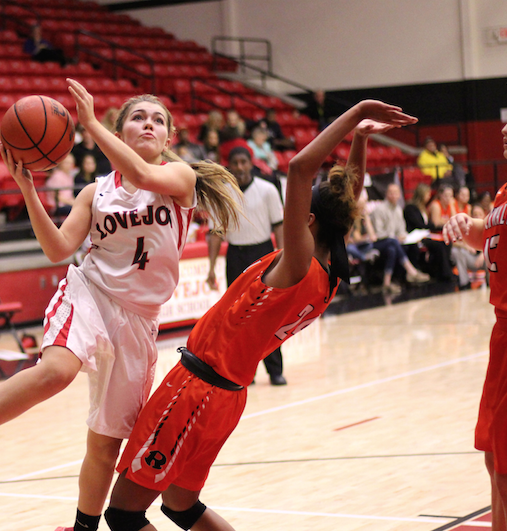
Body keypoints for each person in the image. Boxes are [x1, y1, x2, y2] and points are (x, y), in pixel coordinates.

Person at [0, 79, 243, 531]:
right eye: (138, 117)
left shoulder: (178, 178)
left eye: (158, 120)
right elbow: (58, 248)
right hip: (91, 293)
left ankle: (83, 528)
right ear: (121, 130)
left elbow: (144, 176)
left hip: (139, 322)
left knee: (106, 446)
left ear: (168, 139)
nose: (148, 124)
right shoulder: (95, 192)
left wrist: (88, 123)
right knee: (57, 370)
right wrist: (28, 189)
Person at [103, 101, 417, 531]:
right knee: (181, 506)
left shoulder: (298, 262)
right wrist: (360, 138)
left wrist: (355, 112)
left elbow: (303, 167)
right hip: (227, 397)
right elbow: (346, 197)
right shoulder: (330, 273)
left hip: (196, 390)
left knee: (122, 516)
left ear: (306, 219)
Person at [442, 122, 507, 531]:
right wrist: (470, 226)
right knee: (493, 457)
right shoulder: (503, 192)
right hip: (500, 333)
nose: (504, 129)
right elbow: (489, 235)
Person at [206, 146, 287, 385]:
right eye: (235, 163)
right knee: (238, 316)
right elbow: (216, 233)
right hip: (236, 257)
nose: (240, 167)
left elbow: (280, 226)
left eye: (244, 162)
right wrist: (211, 268)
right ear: (229, 166)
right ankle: (244, 372)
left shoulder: (268, 190)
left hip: (263, 254)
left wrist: (282, 256)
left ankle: (275, 370)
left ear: (251, 164)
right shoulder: (222, 193)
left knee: (267, 314)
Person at [369, 183, 431, 293]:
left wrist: (402, 236)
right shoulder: (379, 209)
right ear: (386, 194)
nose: (393, 195)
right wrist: (395, 238)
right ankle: (411, 271)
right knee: (393, 243)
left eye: (396, 193)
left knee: (396, 249)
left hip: (393, 243)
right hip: (379, 242)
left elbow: (402, 229)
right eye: (391, 193)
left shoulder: (398, 209)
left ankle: (388, 283)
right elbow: (378, 233)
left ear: (399, 195)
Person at [403, 183, 453, 282]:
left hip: (426, 234)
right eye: (427, 194)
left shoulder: (424, 208)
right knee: (438, 245)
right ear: (422, 195)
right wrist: (435, 226)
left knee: (446, 243)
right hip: (416, 236)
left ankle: (442, 271)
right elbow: (418, 224)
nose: (429, 196)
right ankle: (445, 274)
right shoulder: (411, 208)